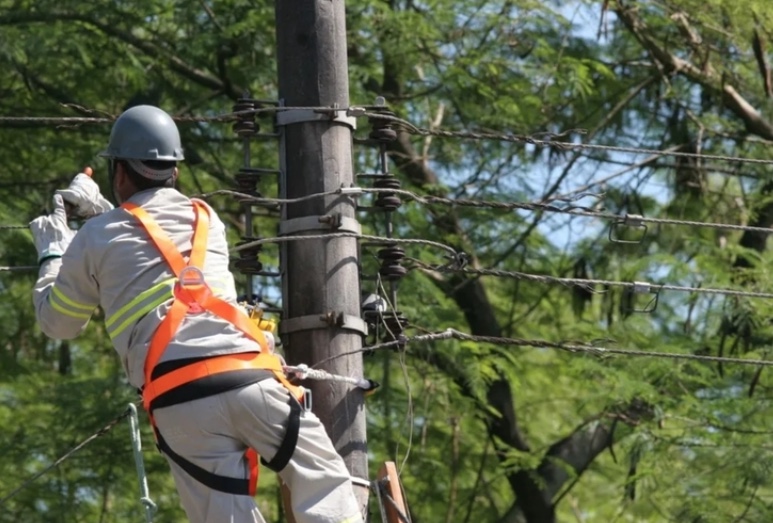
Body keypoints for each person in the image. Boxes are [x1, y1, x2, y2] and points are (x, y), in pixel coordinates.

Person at [29, 105, 363, 523]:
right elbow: (148, 236)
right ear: (175, 171)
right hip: (248, 379)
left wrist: (54, 252)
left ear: (119, 172)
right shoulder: (207, 218)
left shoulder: (95, 238)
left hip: (180, 404)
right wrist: (102, 212)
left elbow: (59, 322)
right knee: (325, 484)